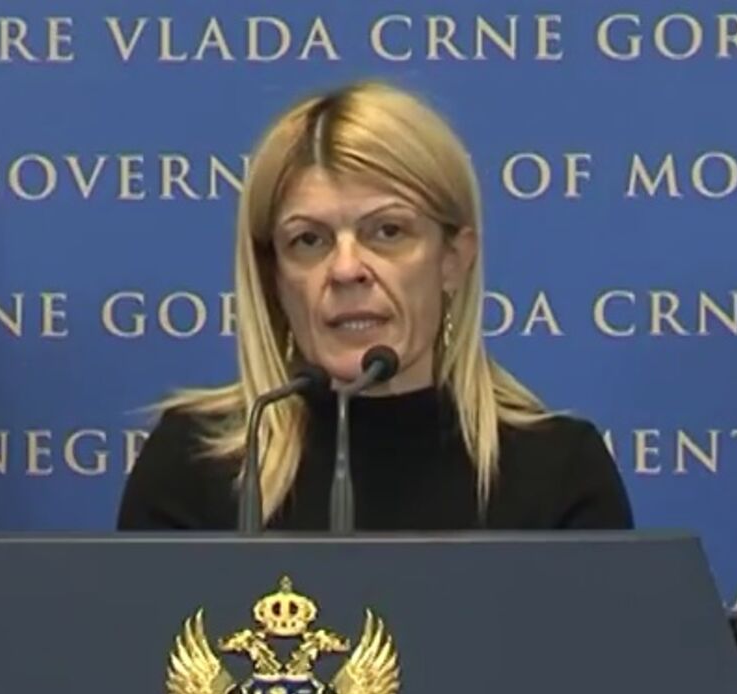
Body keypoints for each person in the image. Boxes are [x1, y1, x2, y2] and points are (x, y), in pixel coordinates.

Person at [116, 80, 633, 532]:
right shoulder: (192, 465)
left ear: (453, 259)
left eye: (387, 231)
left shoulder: (557, 472)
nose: (346, 269)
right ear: (274, 277)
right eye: (309, 240)